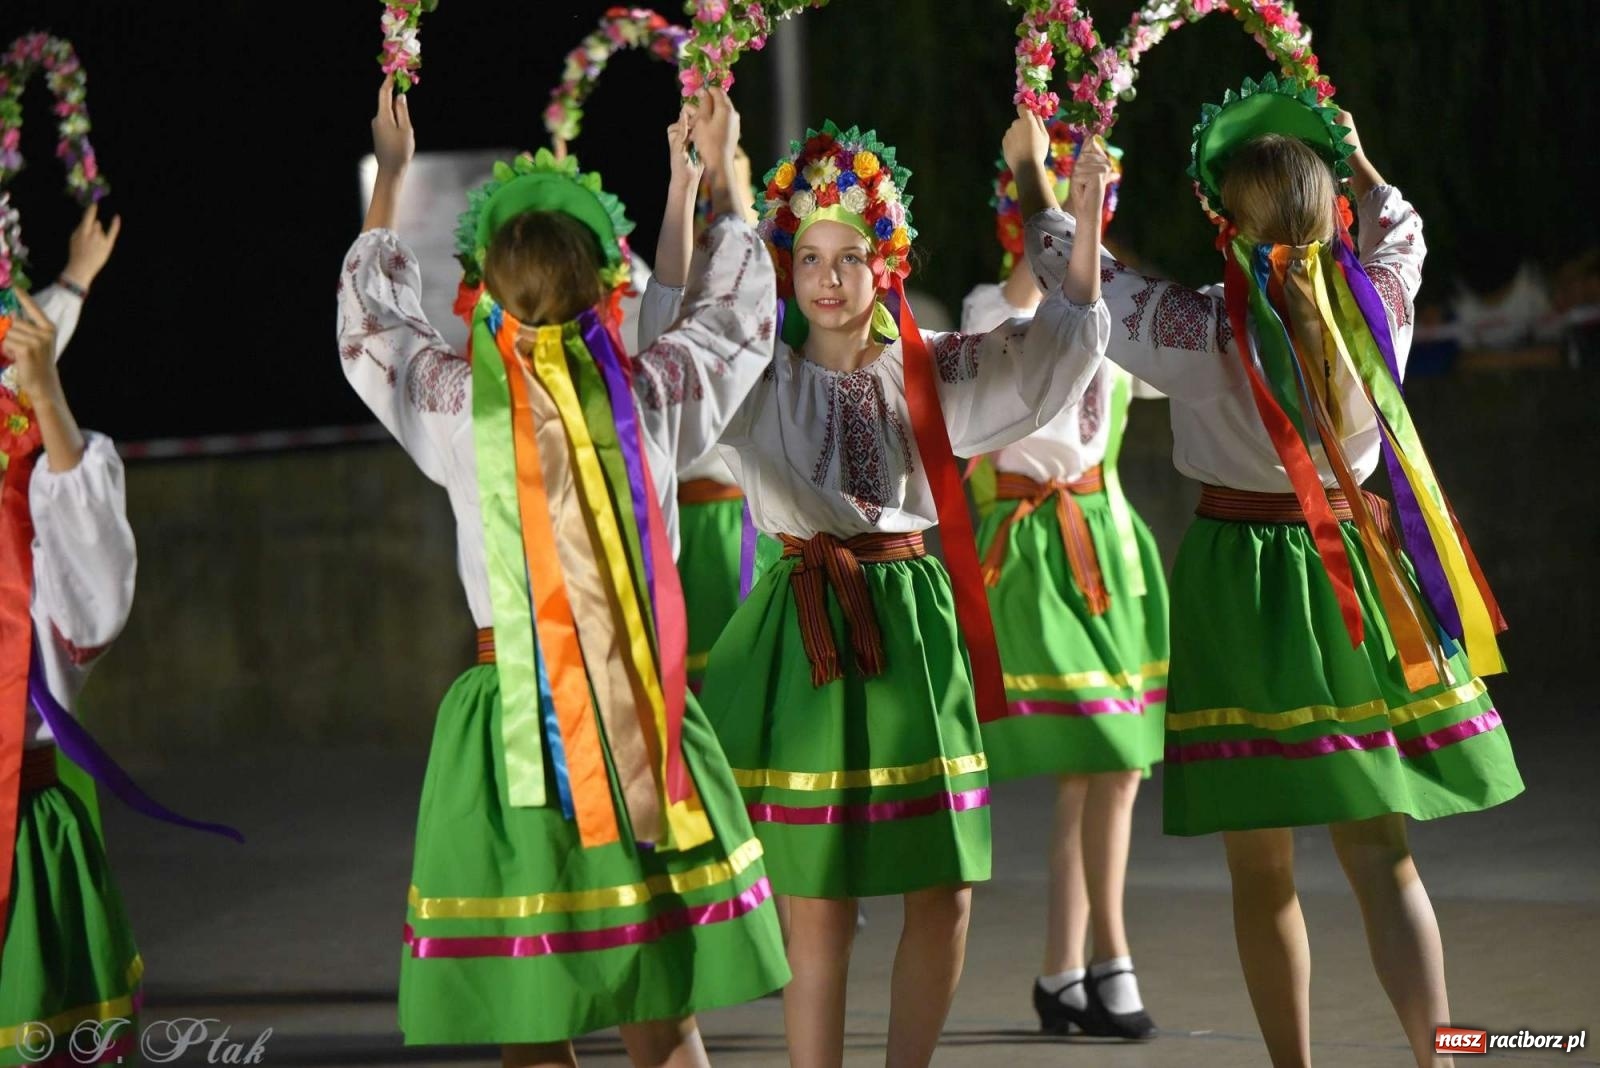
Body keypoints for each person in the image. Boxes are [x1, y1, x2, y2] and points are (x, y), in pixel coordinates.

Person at [1025, 76, 1523, 1066]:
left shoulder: (1199, 328)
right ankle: (1444, 1055)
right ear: (1328, 208)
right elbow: (1403, 226)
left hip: (1244, 586)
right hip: (1357, 579)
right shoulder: (1375, 301)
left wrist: (1039, 183)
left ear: (1223, 222)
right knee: (1384, 859)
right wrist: (1362, 158)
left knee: (1263, 873)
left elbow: (1079, 283)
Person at [338, 78, 788, 1067]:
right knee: (661, 1009)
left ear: (487, 292)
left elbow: (372, 328)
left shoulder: (459, 405)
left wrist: (393, 176)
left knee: (530, 1013)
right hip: (637, 711)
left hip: (509, 726)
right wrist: (727, 176)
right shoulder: (654, 390)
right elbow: (741, 316)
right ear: (603, 285)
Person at [962, 119, 1165, 1040]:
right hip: (1035, 550)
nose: (1090, 222)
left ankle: (1063, 972)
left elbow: (1189, 364)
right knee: (1107, 756)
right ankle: (1113, 955)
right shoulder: (985, 313)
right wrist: (1040, 179)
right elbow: (1011, 329)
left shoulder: (1120, 310)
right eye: (1071, 208)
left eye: (1099, 205)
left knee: (1103, 773)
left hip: (1107, 545)